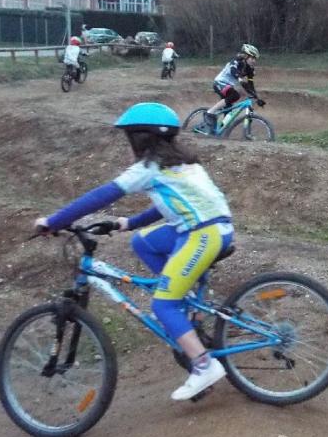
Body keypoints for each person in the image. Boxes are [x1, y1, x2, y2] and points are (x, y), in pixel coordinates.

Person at [34, 102, 233, 401]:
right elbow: (167, 205)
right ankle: (183, 301)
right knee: (143, 242)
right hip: (207, 228)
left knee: (163, 305)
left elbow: (101, 195)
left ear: (140, 139)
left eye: (129, 138)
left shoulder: (148, 168)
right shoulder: (181, 163)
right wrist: (129, 223)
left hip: (201, 234)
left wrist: (54, 221)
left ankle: (204, 365)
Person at [203, 44, 265, 131]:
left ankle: (217, 131)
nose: (254, 61)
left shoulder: (250, 69)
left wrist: (257, 98)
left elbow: (250, 84)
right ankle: (209, 113)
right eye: (252, 58)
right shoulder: (236, 62)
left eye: (255, 59)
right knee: (235, 95)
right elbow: (233, 71)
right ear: (246, 56)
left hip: (228, 86)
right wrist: (240, 79)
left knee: (228, 112)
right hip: (219, 83)